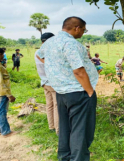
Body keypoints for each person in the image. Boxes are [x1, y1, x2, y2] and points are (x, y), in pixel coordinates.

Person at [37, 16, 98, 161]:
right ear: (76, 28)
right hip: (78, 92)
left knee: (65, 128)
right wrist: (90, 91)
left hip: (61, 92)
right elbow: (79, 71)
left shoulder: (50, 42)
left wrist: (56, 68)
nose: (83, 33)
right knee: (81, 130)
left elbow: (40, 55)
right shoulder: (71, 44)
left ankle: (64, 157)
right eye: (83, 30)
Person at [35, 32, 59, 134]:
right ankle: (59, 130)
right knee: (57, 106)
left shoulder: (37, 52)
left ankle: (51, 126)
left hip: (44, 81)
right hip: (53, 83)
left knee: (49, 105)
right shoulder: (50, 52)